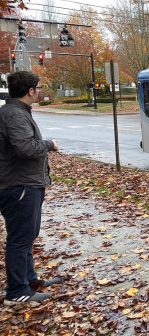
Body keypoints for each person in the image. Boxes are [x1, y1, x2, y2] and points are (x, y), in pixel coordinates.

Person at [0, 71, 61, 305]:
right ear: (30, 91)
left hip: (25, 184)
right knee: (20, 238)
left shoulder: (16, 112)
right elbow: (25, 148)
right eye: (37, 87)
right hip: (20, 186)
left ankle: (29, 281)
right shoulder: (14, 114)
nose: (39, 91)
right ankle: (17, 292)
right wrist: (50, 145)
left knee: (27, 235)